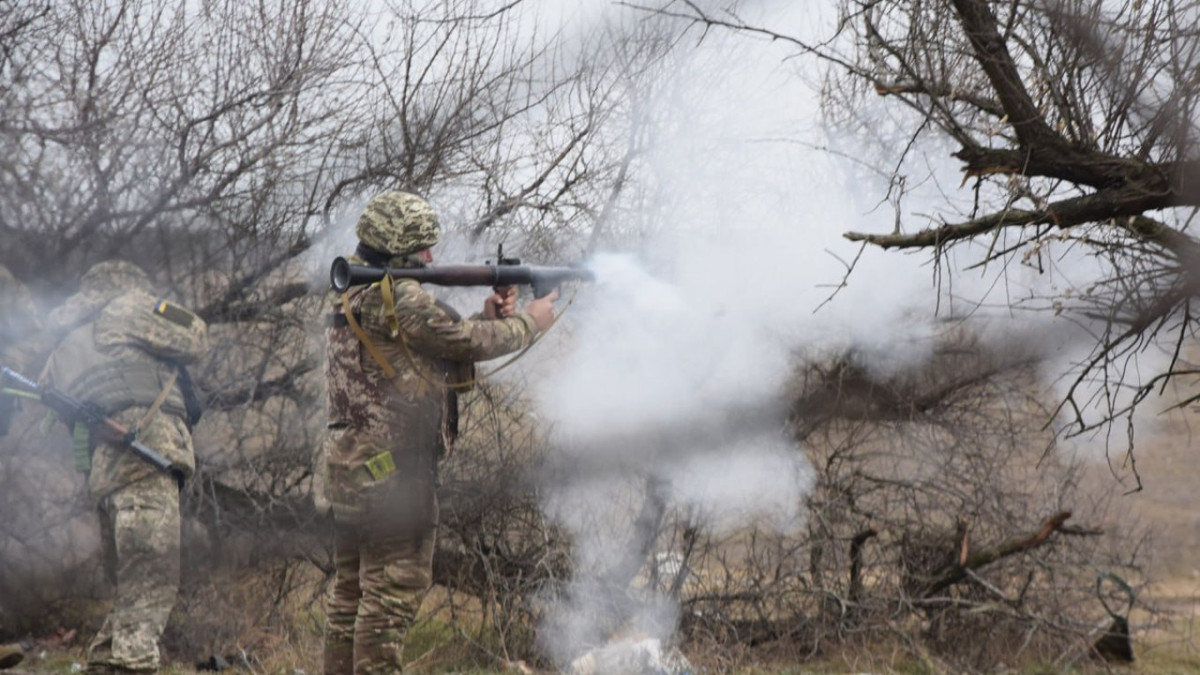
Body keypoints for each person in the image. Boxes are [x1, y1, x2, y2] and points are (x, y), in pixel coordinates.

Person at [322, 191, 557, 674]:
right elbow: (467, 341)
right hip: (396, 478)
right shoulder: (400, 295)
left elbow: (425, 349)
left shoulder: (353, 288)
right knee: (391, 597)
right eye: (422, 247)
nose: (431, 257)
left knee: (350, 595)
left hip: (351, 470)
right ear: (398, 246)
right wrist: (530, 323)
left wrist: (487, 316)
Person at [41, 261, 208, 675]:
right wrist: (159, 306)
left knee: (133, 588)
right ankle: (129, 664)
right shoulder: (132, 306)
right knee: (152, 583)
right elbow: (196, 336)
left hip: (106, 474)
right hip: (147, 460)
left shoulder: (69, 339)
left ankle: (104, 661)